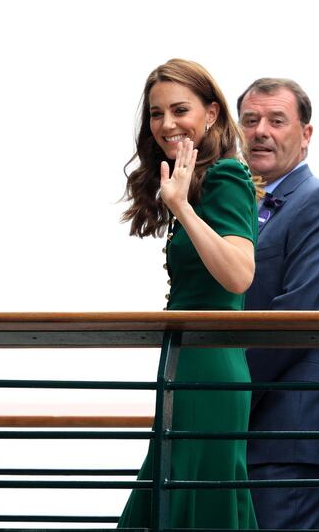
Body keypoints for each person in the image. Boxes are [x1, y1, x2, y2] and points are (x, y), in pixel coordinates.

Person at [117, 58, 258, 529]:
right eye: (156, 114)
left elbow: (238, 275)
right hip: (186, 359)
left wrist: (180, 206)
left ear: (212, 115)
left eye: (180, 109)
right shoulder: (194, 182)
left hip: (209, 366)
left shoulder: (225, 178)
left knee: (192, 492)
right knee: (175, 490)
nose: (167, 123)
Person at [237, 78, 319, 529]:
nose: (261, 131)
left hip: (294, 432)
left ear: (305, 134)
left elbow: (297, 319)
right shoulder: (237, 211)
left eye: (276, 120)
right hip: (245, 434)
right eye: (250, 121)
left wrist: (221, 399)